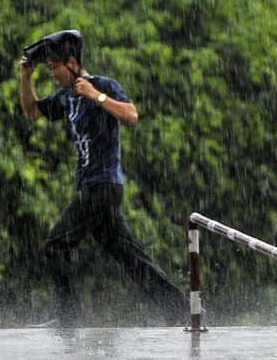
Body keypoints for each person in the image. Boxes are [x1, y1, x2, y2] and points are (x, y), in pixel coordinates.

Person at [19, 30, 188, 328]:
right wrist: (26, 77)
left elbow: (131, 115)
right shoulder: (65, 98)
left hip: (104, 185)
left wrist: (96, 96)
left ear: (71, 62)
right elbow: (32, 111)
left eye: (54, 68)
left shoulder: (103, 86)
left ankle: (69, 319)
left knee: (57, 244)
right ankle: (181, 310)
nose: (53, 75)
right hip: (91, 187)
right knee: (130, 257)